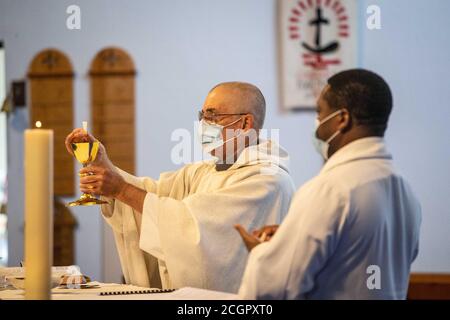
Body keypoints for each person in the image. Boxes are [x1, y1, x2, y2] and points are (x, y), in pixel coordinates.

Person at [65, 82, 295, 293]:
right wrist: (105, 166)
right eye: (202, 116)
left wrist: (120, 190)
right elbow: (155, 193)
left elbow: (190, 224)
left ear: (245, 123)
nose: (205, 125)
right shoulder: (203, 171)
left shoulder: (266, 180)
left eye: (214, 116)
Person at [235, 69, 422, 299]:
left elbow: (275, 289)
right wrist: (292, 237)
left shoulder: (330, 189)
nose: (317, 125)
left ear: (341, 119)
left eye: (319, 113)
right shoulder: (405, 191)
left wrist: (264, 252)